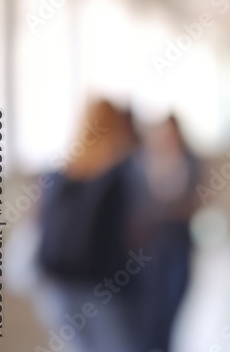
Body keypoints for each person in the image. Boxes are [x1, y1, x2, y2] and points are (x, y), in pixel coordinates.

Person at [37, 99, 138, 351]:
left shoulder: (61, 170)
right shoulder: (120, 171)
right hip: (103, 284)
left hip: (59, 282)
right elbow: (133, 229)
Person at [125, 115, 202, 352]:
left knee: (176, 297)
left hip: (179, 240)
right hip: (152, 246)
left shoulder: (189, 161)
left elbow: (197, 199)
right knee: (153, 306)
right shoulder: (142, 162)